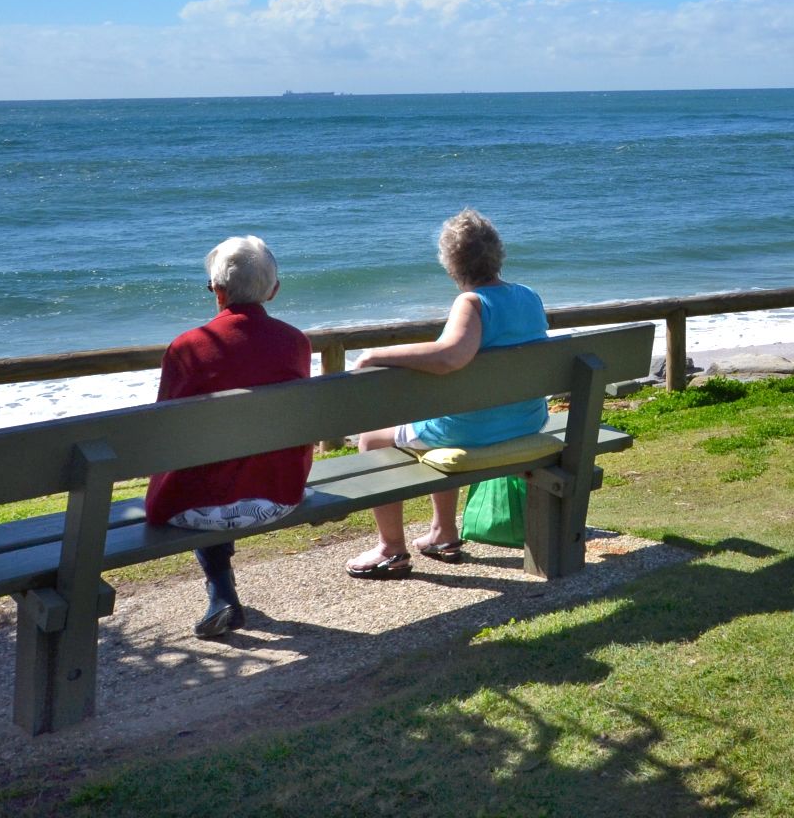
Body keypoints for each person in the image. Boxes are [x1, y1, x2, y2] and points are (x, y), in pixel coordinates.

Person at [344, 209, 549, 579]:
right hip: (525, 419)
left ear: (450, 262)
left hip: (476, 430)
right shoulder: (529, 296)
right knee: (444, 413)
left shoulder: (471, 303)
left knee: (372, 439)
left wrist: (376, 355)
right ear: (497, 253)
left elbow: (451, 357)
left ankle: (391, 548)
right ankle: (443, 533)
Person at [145, 234, 313, 637]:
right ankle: (220, 594)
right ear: (273, 291)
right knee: (229, 467)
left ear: (217, 292)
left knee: (202, 476)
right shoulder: (296, 343)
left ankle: (221, 591)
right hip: (277, 496)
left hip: (196, 507)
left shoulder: (187, 348)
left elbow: (163, 433)